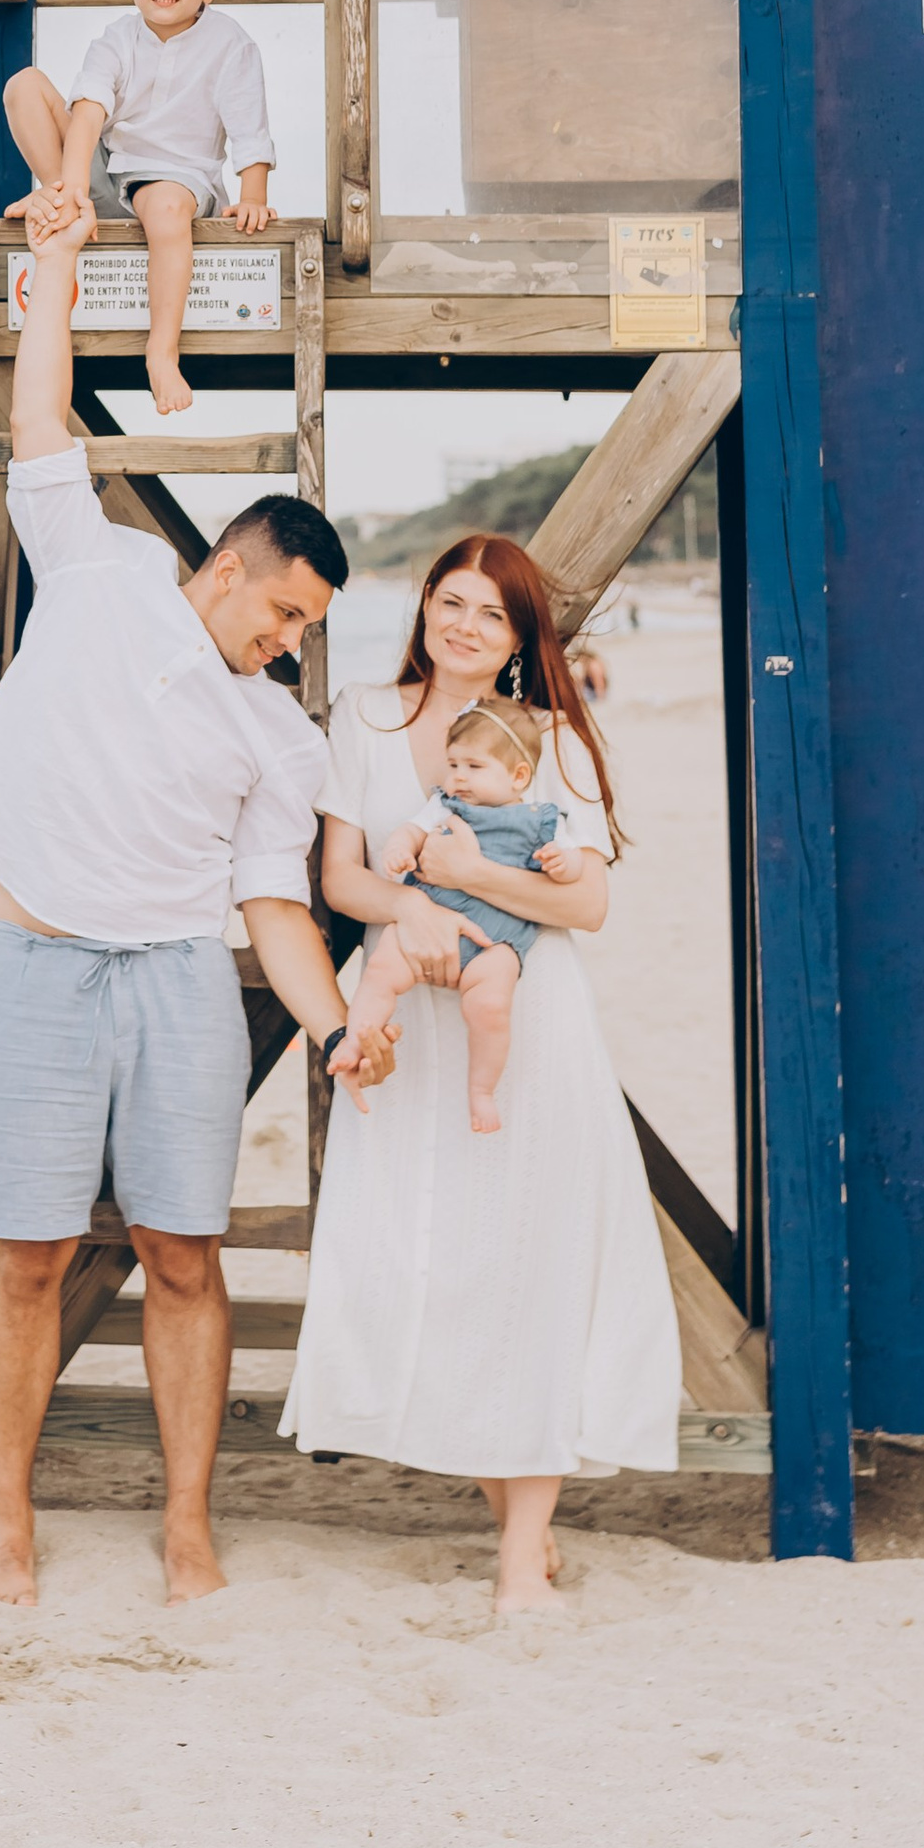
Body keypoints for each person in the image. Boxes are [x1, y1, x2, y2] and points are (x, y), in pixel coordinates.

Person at [0, 202, 390, 1610]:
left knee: (184, 1255)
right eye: (285, 613)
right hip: (37, 967)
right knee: (24, 1255)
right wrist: (53, 272)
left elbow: (274, 908)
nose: (290, 642)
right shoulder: (102, 572)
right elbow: (39, 424)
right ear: (226, 568)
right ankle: (10, 1521)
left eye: (308, 629)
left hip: (180, 983)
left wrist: (331, 1028)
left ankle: (187, 1525)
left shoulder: (280, 740)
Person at [280, 533, 681, 1615]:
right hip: (409, 1018)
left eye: (491, 614)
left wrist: (466, 874)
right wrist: (414, 905)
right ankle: (505, 1512)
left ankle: (520, 1551)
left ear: (519, 637)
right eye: (451, 602)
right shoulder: (364, 717)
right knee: (436, 1262)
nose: (465, 626)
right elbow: (341, 879)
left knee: (529, 1268)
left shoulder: (553, 737)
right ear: (424, 605)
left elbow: (587, 904)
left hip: (527, 1023)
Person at [1, 0, 274, 417]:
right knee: (24, 85)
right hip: (109, 168)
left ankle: (161, 352)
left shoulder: (231, 46)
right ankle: (62, 204)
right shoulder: (117, 39)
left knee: (165, 206)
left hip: (180, 180)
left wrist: (253, 195)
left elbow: (249, 128)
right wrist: (72, 187)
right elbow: (88, 113)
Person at [336, 694, 585, 1134]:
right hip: (427, 922)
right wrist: (399, 848)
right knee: (380, 971)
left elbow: (574, 862)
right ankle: (356, 1040)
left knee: (491, 1007)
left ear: (518, 775)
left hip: (495, 941)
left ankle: (481, 1090)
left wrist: (562, 864)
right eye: (453, 764)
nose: (458, 777)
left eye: (474, 766)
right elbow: (412, 829)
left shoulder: (542, 820)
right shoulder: (445, 805)